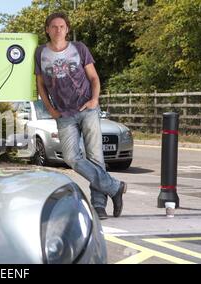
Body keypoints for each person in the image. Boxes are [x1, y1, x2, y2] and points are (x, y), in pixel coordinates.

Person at [34, 12, 127, 219]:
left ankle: (99, 205)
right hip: (63, 113)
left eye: (62, 26)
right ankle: (114, 187)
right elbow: (40, 84)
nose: (58, 30)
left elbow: (94, 77)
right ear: (47, 29)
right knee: (71, 157)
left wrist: (94, 100)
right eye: (54, 26)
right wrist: (49, 108)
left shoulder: (79, 48)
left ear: (67, 29)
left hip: (87, 108)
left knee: (95, 157)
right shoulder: (40, 53)